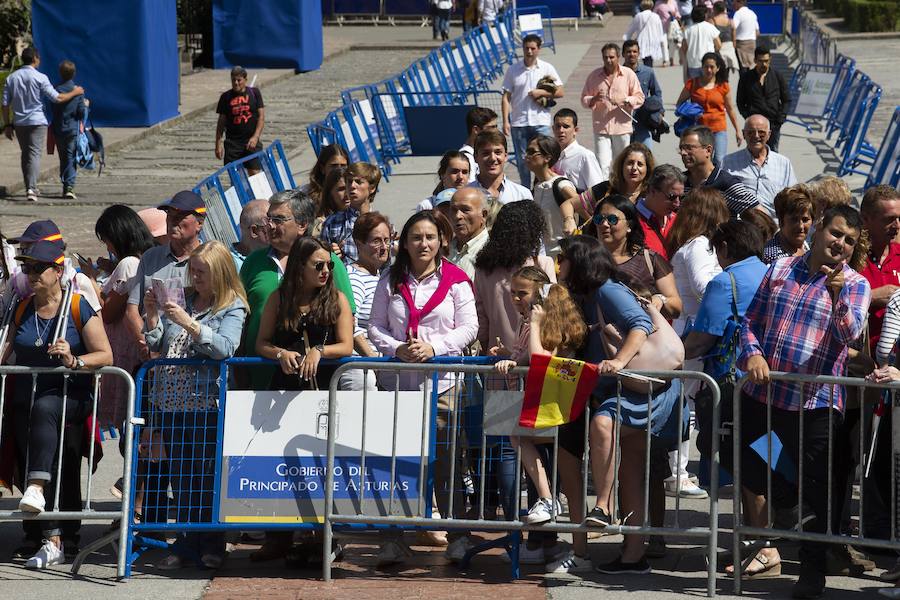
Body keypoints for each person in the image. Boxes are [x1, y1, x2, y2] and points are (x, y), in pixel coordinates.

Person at [739, 205, 870, 598]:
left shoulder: (854, 284)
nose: (840, 244)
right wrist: (753, 354)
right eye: (835, 234)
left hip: (815, 402)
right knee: (740, 454)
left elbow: (851, 336)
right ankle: (787, 495)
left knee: (818, 489)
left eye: (849, 241)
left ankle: (811, 573)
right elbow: (749, 322)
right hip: (764, 393)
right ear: (818, 231)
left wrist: (836, 298)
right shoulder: (779, 269)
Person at [561, 235, 682, 575]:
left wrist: (620, 361)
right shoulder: (586, 294)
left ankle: (603, 504)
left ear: (580, 261)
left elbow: (641, 325)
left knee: (603, 424)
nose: (560, 264)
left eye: (564, 258)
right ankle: (633, 555)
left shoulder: (606, 290)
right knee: (631, 469)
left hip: (636, 387)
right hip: (627, 389)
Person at [367, 211, 479, 566]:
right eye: (416, 237)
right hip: (398, 386)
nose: (424, 244)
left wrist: (435, 348)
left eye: (430, 237)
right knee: (397, 462)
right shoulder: (390, 279)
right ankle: (393, 537)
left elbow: (470, 327)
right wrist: (395, 348)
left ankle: (457, 535)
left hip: (443, 385)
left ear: (441, 241)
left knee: (447, 463)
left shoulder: (457, 281)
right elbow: (375, 327)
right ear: (405, 242)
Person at [5, 241, 113, 570]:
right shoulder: (22, 307)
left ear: (58, 270)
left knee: (54, 463)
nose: (32, 274)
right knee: (32, 456)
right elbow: (7, 347)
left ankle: (54, 527)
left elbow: (106, 355)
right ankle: (49, 538)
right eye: (27, 268)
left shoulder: (77, 306)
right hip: (28, 399)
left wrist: (74, 359)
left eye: (39, 267)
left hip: (68, 399)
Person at [141, 240, 247, 570]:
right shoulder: (183, 298)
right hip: (170, 403)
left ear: (220, 273)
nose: (196, 277)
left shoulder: (233, 306)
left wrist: (189, 322)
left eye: (202, 272)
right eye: (193, 270)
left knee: (206, 476)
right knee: (182, 477)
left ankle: (211, 542)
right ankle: (186, 542)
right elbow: (158, 343)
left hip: (206, 403)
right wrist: (152, 314)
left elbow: (225, 347)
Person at [491, 267, 592, 574]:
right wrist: (511, 355)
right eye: (513, 292)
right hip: (550, 408)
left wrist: (534, 323)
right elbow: (528, 357)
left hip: (561, 411)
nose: (516, 298)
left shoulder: (543, 322)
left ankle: (572, 541)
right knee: (519, 440)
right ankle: (546, 526)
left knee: (571, 486)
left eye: (522, 293)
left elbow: (539, 360)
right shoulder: (533, 322)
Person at [240, 190, 355, 395]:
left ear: (302, 225)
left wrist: (318, 351)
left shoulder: (331, 262)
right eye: (269, 219)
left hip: (320, 383)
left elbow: (347, 327)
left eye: (279, 219)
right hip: (260, 378)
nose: (271, 225)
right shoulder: (252, 262)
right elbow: (240, 315)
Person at [683, 219, 768, 489]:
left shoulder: (724, 282)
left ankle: (747, 529)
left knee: (735, 457)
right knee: (763, 455)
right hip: (768, 378)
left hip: (732, 384)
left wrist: (670, 354)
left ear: (724, 247)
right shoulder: (771, 273)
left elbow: (699, 341)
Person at [86, 206, 155, 428]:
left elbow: (108, 312)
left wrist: (90, 279)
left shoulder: (128, 264)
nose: (107, 246)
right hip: (130, 347)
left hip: (125, 349)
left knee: (130, 425)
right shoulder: (141, 259)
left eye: (107, 239)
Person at [255, 236, 353, 393]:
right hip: (284, 389)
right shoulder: (278, 298)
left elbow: (347, 346)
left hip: (326, 389)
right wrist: (280, 354)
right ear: (300, 266)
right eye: (319, 265)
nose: (326, 271)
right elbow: (261, 343)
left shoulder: (338, 299)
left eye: (330, 264)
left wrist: (319, 350)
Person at [126, 191, 206, 361]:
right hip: (152, 356)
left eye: (180, 216)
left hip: (193, 357)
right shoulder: (150, 257)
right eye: (170, 215)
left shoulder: (211, 260)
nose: (172, 221)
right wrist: (148, 346)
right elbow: (132, 310)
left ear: (199, 223)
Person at [2, 47, 85, 202]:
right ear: (35, 59)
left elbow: (5, 104)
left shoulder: (11, 78)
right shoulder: (41, 78)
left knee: (26, 154)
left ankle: (30, 185)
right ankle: (31, 189)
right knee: (33, 154)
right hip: (37, 121)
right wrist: (76, 92)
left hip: (20, 122)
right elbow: (57, 98)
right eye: (38, 58)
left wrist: (7, 125)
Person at [594, 194, 682, 320]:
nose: (604, 224)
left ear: (629, 226)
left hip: (645, 336)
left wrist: (660, 299)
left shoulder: (650, 259)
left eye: (612, 219)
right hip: (601, 336)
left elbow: (676, 307)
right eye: (599, 219)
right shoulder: (588, 262)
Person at [501, 34, 564, 189]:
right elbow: (506, 97)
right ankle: (525, 190)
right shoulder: (513, 70)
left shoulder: (547, 68)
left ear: (539, 49)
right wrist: (505, 121)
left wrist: (541, 93)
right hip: (519, 122)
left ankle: (544, 187)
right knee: (523, 161)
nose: (529, 51)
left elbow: (560, 92)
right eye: (526, 48)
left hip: (540, 122)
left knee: (543, 158)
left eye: (533, 48)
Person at [580, 43, 645, 180]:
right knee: (603, 164)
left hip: (621, 128)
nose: (608, 60)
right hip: (601, 127)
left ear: (618, 57)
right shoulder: (594, 76)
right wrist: (594, 98)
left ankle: (621, 192)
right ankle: (605, 193)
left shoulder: (628, 74)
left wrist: (627, 100)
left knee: (621, 163)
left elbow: (640, 97)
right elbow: (584, 99)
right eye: (605, 57)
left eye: (611, 57)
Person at [344, 212, 393, 389]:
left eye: (387, 240)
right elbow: (349, 324)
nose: (384, 247)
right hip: (360, 367)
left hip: (380, 364)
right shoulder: (353, 278)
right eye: (376, 241)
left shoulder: (383, 277)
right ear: (359, 244)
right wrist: (373, 360)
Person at [722, 115, 796, 217]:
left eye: (761, 132)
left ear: (769, 134)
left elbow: (793, 196)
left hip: (773, 223)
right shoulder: (729, 162)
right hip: (741, 223)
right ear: (744, 134)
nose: (756, 136)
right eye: (751, 132)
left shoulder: (783, 163)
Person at [676, 52, 742, 167]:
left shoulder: (723, 86)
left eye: (712, 67)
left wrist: (738, 130)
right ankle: (702, 183)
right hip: (698, 130)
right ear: (702, 67)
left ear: (717, 68)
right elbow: (679, 103)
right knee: (700, 160)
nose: (709, 70)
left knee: (719, 159)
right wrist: (690, 111)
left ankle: (716, 184)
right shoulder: (692, 84)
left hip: (719, 129)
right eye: (706, 66)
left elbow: (730, 109)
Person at [680, 125, 760, 217]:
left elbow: (760, 216)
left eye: (689, 148)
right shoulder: (679, 182)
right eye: (681, 148)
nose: (683, 153)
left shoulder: (726, 183)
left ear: (708, 150)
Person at [574, 142, 656, 222]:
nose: (634, 168)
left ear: (647, 169)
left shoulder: (652, 194)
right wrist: (570, 220)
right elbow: (570, 204)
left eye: (640, 164)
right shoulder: (607, 188)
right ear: (621, 166)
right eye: (630, 163)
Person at [526, 135, 579, 256]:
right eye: (527, 151)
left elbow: (586, 211)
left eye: (532, 152)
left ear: (547, 157)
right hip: (543, 255)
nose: (526, 156)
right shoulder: (536, 188)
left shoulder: (561, 185)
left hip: (564, 255)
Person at [321, 162, 381, 263]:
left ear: (372, 188)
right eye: (349, 182)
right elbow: (321, 262)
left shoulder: (381, 224)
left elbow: (386, 267)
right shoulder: (332, 222)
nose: (352, 186)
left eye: (358, 182)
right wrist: (331, 256)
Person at [736, 47, 790, 152]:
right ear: (755, 60)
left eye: (766, 61)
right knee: (753, 153)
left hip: (773, 125)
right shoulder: (746, 78)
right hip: (754, 126)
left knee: (773, 154)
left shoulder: (777, 76)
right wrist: (748, 117)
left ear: (770, 59)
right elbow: (740, 101)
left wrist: (780, 119)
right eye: (760, 61)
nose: (763, 64)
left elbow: (787, 100)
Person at [215, 66, 265, 175]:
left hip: (251, 141)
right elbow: (221, 122)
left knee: (255, 173)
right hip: (232, 144)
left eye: (239, 80)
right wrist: (218, 143)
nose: (236, 83)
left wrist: (256, 137)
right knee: (235, 176)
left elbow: (261, 117)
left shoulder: (254, 93)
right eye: (233, 80)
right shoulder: (225, 97)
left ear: (245, 80)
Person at [50, 60, 86, 200]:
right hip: (72, 128)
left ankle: (65, 182)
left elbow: (52, 107)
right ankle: (69, 186)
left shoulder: (55, 90)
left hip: (58, 128)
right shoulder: (78, 91)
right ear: (74, 73)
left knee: (63, 157)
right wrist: (86, 106)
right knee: (71, 157)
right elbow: (81, 113)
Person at [467, 130, 533, 204]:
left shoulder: (522, 195)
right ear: (475, 157)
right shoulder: (464, 196)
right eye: (486, 153)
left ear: (505, 156)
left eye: (498, 152)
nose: (492, 158)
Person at [635, 164, 685, 259]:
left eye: (680, 197)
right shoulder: (631, 221)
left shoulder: (678, 221)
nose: (677, 204)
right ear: (652, 190)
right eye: (672, 197)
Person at [622, 40, 664, 149]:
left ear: (639, 53)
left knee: (646, 154)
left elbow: (657, 93)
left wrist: (660, 112)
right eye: (628, 52)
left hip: (642, 122)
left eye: (634, 51)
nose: (632, 54)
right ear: (623, 54)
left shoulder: (648, 72)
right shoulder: (618, 73)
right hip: (622, 123)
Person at [552, 108, 603, 193]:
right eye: (558, 126)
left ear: (576, 130)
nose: (561, 130)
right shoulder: (551, 155)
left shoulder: (585, 155)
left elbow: (597, 189)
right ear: (553, 129)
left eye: (566, 126)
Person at [762, 185, 814, 264]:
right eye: (794, 220)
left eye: (805, 220)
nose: (800, 226)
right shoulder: (772, 258)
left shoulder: (809, 246)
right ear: (781, 220)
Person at [448, 187, 490, 277]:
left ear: (484, 214)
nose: (458, 216)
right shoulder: (444, 249)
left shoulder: (492, 252)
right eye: (454, 210)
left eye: (465, 210)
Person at [680, 6, 721, 81]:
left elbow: (684, 48)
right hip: (708, 63)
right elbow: (718, 45)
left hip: (693, 63)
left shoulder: (688, 30)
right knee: (709, 87)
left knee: (695, 88)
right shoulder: (710, 27)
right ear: (705, 15)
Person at [624, 0, 669, 68]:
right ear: (651, 6)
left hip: (643, 41)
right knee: (649, 60)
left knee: (646, 60)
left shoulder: (638, 16)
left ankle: (648, 74)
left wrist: (627, 37)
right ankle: (648, 73)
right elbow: (660, 29)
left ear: (641, 6)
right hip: (653, 41)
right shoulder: (656, 16)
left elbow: (632, 28)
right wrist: (661, 39)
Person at [460, 107, 498, 182]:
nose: (496, 131)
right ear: (476, 130)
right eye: (492, 127)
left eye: (496, 127)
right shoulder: (465, 158)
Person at [231, 198, 271, 271]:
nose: (275, 227)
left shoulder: (278, 255)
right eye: (270, 224)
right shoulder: (228, 266)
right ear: (254, 231)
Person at [710, 1, 739, 74]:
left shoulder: (713, 21)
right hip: (729, 47)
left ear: (715, 9)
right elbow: (734, 38)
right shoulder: (730, 21)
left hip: (718, 48)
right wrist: (733, 47)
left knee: (718, 72)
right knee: (726, 73)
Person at [731, 0, 759, 74]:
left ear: (739, 2)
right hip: (752, 44)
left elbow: (733, 28)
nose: (732, 4)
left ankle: (744, 85)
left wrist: (733, 42)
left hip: (741, 44)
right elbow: (757, 32)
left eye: (734, 2)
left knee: (743, 70)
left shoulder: (738, 14)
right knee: (752, 67)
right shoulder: (752, 13)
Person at [653, 0, 681, 67]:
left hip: (672, 27)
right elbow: (654, 14)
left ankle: (671, 59)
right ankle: (665, 60)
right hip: (662, 27)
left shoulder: (674, 2)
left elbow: (677, 12)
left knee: (672, 44)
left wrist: (676, 15)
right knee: (663, 43)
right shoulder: (658, 3)